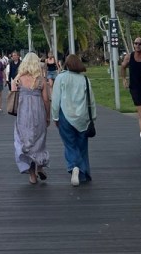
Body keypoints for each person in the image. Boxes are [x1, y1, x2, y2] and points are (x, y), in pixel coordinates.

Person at [51, 54, 95, 186]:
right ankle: (84, 172)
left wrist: (55, 116)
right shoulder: (85, 80)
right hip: (83, 117)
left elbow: (56, 99)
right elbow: (91, 101)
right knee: (82, 145)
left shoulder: (61, 78)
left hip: (65, 116)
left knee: (70, 144)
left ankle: (74, 166)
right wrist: (93, 117)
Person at [13, 52, 49, 184]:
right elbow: (46, 100)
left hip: (23, 114)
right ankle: (40, 166)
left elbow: (12, 92)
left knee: (25, 141)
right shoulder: (41, 80)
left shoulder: (19, 79)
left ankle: (32, 175)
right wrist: (48, 116)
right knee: (39, 140)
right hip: (38, 111)